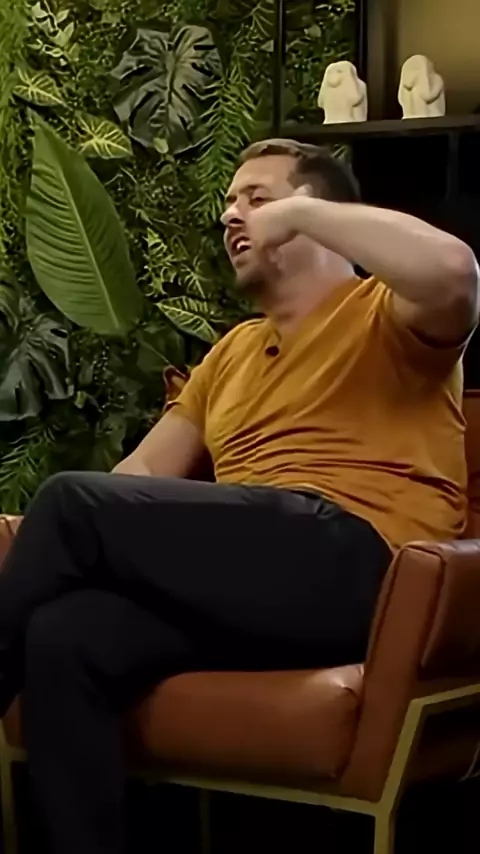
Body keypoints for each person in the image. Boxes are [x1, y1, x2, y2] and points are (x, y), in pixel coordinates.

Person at [0, 139, 478, 854]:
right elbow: (141, 475)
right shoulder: (230, 354)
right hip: (256, 585)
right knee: (68, 637)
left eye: (257, 198)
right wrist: (58, 541)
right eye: (229, 200)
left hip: (360, 564)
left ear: (319, 215)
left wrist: (299, 213)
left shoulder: (385, 312)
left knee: (72, 504)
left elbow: (456, 271)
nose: (231, 214)